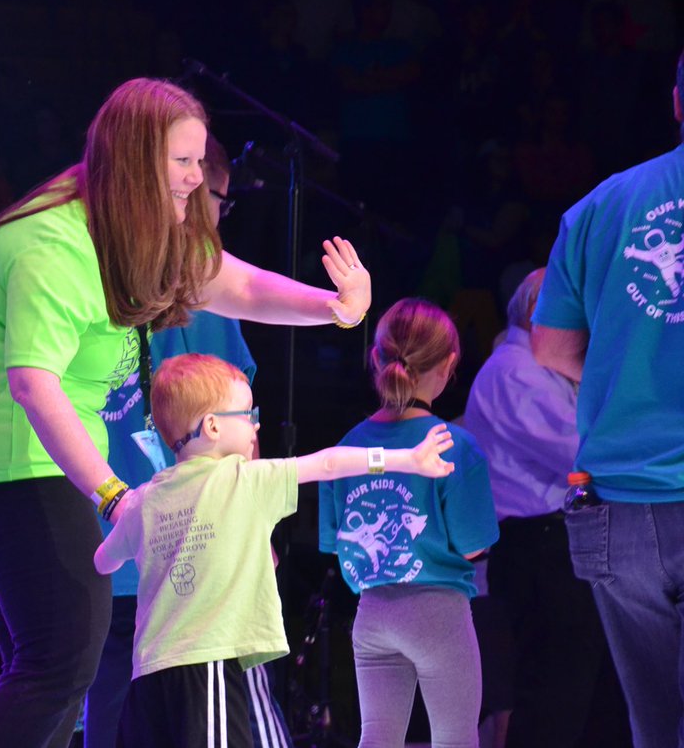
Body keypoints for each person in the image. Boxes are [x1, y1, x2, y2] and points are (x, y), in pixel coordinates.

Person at [0, 77, 371, 748]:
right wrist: (111, 492)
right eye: (183, 162)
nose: (197, 178)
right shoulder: (56, 248)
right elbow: (33, 387)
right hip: (9, 466)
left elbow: (233, 282)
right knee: (60, 663)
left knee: (47, 668)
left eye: (197, 161)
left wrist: (333, 306)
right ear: (134, 161)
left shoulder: (139, 225)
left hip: (12, 463)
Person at [95, 353, 455, 748]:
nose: (256, 423)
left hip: (146, 678)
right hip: (207, 666)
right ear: (213, 426)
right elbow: (328, 464)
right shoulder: (245, 480)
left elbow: (102, 560)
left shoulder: (145, 500)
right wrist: (406, 459)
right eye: (247, 413)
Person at [84, 135, 292, 748]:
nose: (219, 216)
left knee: (116, 717)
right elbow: (238, 429)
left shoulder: (97, 272)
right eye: (218, 200)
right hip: (196, 562)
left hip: (113, 539)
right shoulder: (207, 291)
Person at [531, 48, 684, 748]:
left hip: (620, 506)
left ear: (678, 103)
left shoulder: (600, 206)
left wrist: (631, 369)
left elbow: (552, 347)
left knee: (656, 724)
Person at [319, 298, 498, 748]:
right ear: (449, 365)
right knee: (455, 739)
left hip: (373, 613)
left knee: (376, 737)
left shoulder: (346, 449)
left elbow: (333, 539)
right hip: (439, 615)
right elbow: (474, 546)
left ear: (376, 358)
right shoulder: (454, 445)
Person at [462, 268, 628, 747]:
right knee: (555, 696)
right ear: (541, 311)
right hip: (541, 547)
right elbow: (580, 452)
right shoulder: (514, 372)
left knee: (582, 693)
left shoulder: (537, 369)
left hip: (558, 544)